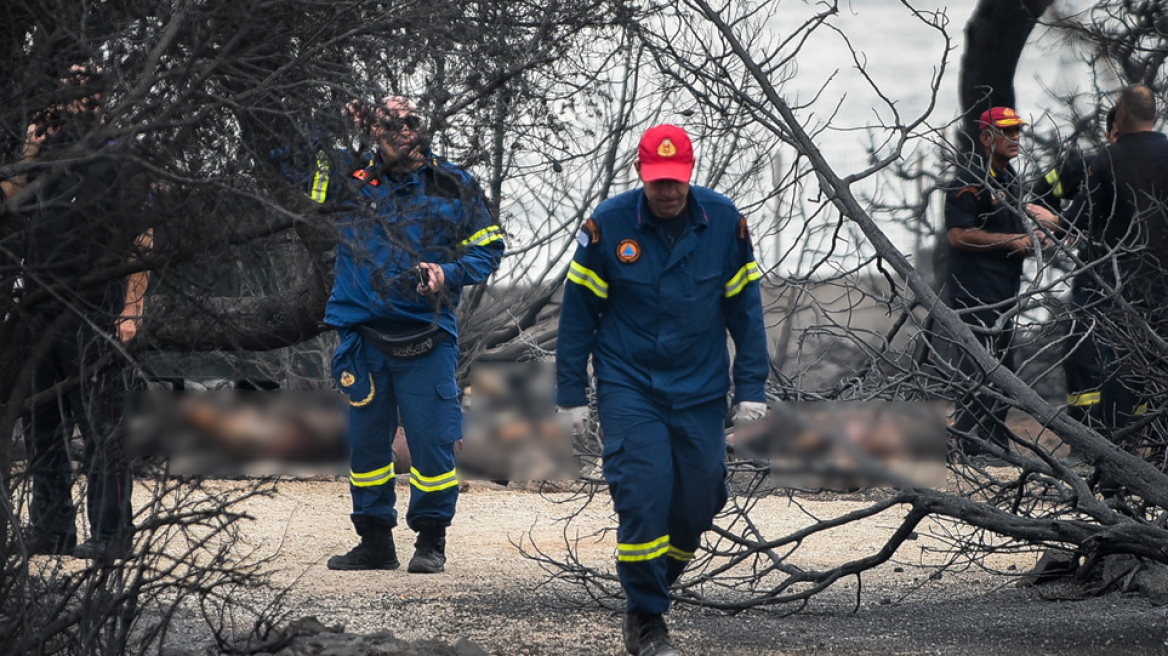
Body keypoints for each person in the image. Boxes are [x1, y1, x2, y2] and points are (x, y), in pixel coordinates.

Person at [555, 124, 769, 656]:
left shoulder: (723, 223)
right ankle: (646, 618)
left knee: (701, 498)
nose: (667, 192)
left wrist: (752, 387)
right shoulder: (607, 226)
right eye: (657, 182)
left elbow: (746, 312)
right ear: (639, 174)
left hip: (699, 389)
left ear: (690, 173)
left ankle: (659, 575)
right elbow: (579, 316)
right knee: (643, 493)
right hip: (632, 387)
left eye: (676, 181)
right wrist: (570, 393)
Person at [286, 96, 504, 572]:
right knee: (366, 448)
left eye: (412, 122)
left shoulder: (455, 184)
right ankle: (374, 543)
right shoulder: (353, 178)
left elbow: (490, 248)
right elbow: (306, 182)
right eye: (391, 124)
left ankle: (431, 543)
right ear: (374, 133)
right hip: (363, 338)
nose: (405, 131)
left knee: (430, 445)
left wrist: (448, 273)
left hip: (426, 336)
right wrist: (332, 125)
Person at [14, 65, 150, 560]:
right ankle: (52, 529)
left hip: (94, 312)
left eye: (89, 91)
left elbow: (142, 236)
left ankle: (112, 534)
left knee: (101, 430)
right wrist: (31, 147)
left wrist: (132, 309)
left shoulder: (118, 157)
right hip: (37, 310)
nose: (79, 100)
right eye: (71, 90)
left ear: (102, 96)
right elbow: (7, 203)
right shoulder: (47, 158)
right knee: (42, 427)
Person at [944, 106, 1059, 461]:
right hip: (975, 292)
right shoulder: (968, 179)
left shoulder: (1009, 181)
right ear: (986, 137)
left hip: (1006, 291)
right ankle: (972, 446)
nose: (1015, 139)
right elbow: (959, 236)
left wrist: (1036, 239)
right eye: (1007, 132)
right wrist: (1013, 242)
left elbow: (1012, 231)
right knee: (980, 367)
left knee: (1004, 366)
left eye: (1018, 132)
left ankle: (994, 440)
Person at [1068, 85, 1168, 453]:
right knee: (1161, 361)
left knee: (1115, 364)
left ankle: (1116, 449)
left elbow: (1079, 217)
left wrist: (1052, 218)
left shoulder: (1108, 160)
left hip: (1118, 281)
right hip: (1164, 281)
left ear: (1121, 115)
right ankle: (1161, 448)